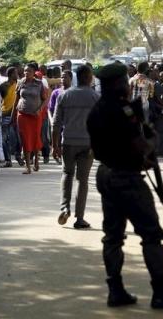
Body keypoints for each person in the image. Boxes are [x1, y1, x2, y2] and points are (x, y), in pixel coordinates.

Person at [87, 63, 163, 309]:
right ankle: (161, 292)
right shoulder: (123, 111)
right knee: (151, 235)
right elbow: (140, 146)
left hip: (106, 174)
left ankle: (115, 289)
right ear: (116, 84)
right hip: (127, 177)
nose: (128, 83)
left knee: (112, 236)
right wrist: (151, 139)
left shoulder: (97, 111)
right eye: (124, 80)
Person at [53, 65, 98, 229]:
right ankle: (79, 218)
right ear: (88, 77)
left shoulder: (64, 95)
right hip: (87, 144)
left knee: (67, 173)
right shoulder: (95, 97)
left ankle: (65, 208)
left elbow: (56, 123)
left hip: (68, 142)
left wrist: (54, 145)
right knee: (82, 180)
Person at [12, 63, 47, 174]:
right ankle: (28, 166)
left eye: (29, 71)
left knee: (35, 138)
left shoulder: (39, 84)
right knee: (25, 139)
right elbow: (16, 99)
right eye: (25, 71)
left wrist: (40, 109)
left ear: (34, 72)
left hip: (35, 116)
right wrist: (12, 115)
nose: (27, 73)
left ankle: (36, 160)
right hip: (22, 115)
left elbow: (44, 99)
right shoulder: (20, 83)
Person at [0, 67, 22, 168]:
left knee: (18, 138)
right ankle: (8, 160)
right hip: (5, 115)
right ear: (10, 74)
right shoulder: (3, 86)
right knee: (5, 139)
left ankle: (18, 156)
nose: (17, 74)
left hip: (17, 115)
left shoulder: (19, 85)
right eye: (15, 73)